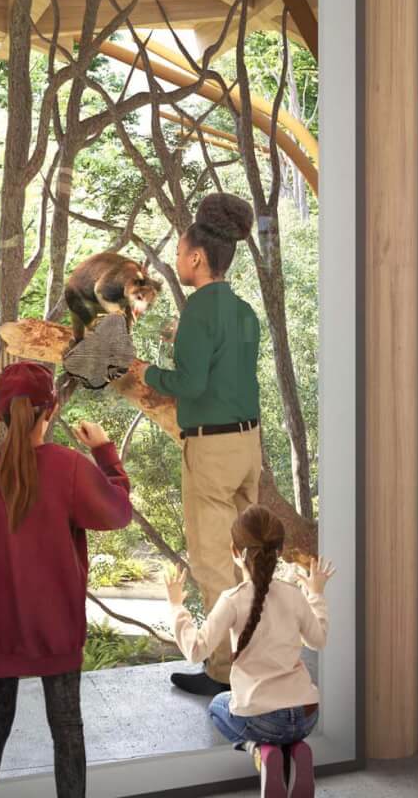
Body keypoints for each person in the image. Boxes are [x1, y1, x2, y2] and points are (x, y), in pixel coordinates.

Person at [0, 361, 135, 798]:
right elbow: (119, 512)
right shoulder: (69, 467)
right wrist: (105, 453)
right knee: (67, 730)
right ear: (54, 408)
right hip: (55, 628)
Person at [134, 192, 263, 698]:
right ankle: (258, 657)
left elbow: (187, 383)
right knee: (250, 561)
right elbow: (228, 374)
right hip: (248, 443)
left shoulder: (198, 313)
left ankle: (224, 672)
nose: (177, 259)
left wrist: (148, 371)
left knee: (213, 563)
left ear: (196, 257)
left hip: (210, 450)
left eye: (181, 250)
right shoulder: (243, 310)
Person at [165, 506, 331, 798]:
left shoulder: (232, 600)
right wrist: (316, 594)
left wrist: (177, 606)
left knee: (218, 705)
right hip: (307, 715)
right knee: (283, 723)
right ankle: (296, 749)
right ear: (279, 550)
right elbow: (318, 641)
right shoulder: (294, 595)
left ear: (234, 551)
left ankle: (261, 751)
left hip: (262, 719)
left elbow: (195, 650)